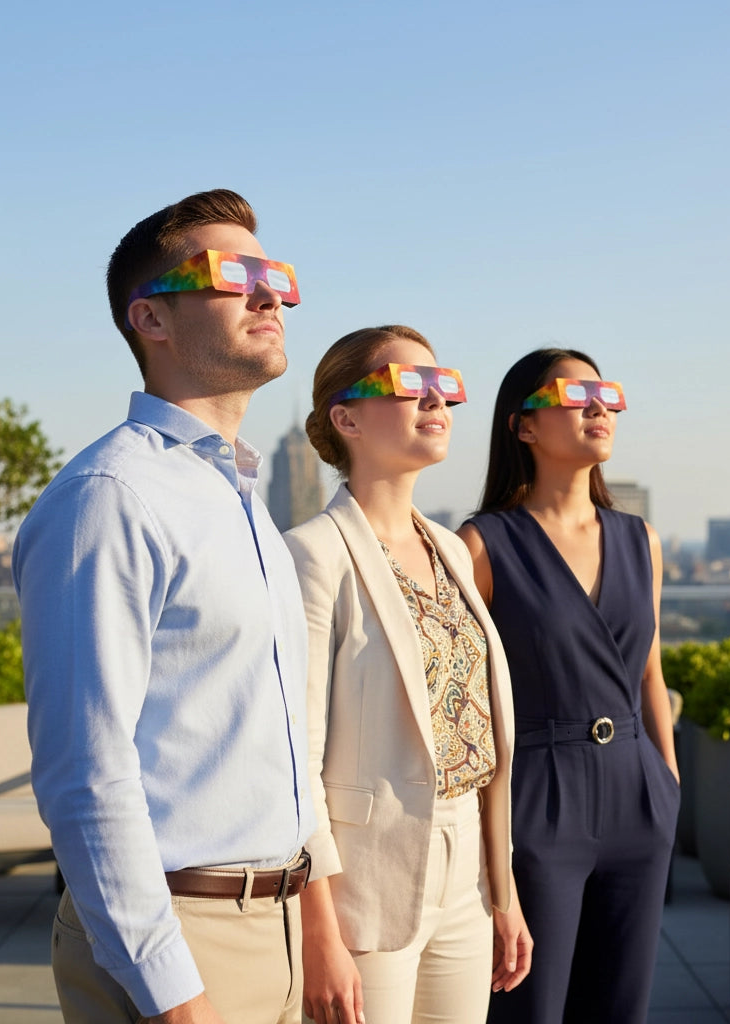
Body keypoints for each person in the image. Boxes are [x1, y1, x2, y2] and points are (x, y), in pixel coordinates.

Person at [12, 189, 316, 1024]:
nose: (269, 295)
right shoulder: (110, 496)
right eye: (235, 276)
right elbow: (85, 772)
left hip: (279, 926)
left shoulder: (241, 497)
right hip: (184, 942)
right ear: (151, 318)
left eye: (276, 277)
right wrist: (172, 992)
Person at [283, 325, 531, 1024]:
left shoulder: (452, 547)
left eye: (442, 384)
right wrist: (319, 930)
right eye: (409, 384)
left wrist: (502, 891)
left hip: (468, 872)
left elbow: (479, 727)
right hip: (364, 880)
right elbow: (295, 759)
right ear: (347, 418)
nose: (436, 400)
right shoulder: (312, 555)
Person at [457, 348, 680, 1024]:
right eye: (575, 395)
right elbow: (467, 701)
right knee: (531, 1007)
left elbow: (650, 672)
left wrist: (668, 783)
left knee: (620, 1009)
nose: (598, 407)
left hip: (637, 797)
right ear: (523, 425)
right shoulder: (482, 545)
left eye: (606, 394)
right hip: (538, 799)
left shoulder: (641, 539)